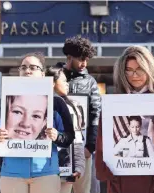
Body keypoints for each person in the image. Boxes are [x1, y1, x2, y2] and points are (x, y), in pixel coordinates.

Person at [95, 45, 154, 193]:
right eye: (128, 70)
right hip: (121, 179)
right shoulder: (113, 105)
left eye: (139, 69)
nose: (134, 75)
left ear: (149, 68)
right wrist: (107, 167)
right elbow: (103, 142)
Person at [0, 52, 75, 193]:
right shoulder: (8, 102)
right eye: (23, 67)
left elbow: (69, 137)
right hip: (11, 175)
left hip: (46, 174)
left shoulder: (56, 103)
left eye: (33, 67)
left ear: (43, 74)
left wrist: (57, 136)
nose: (27, 71)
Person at [56, 35, 102, 193]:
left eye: (87, 59)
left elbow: (96, 114)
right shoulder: (54, 76)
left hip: (82, 148)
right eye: (81, 59)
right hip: (58, 147)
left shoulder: (90, 82)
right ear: (69, 57)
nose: (84, 64)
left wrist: (90, 146)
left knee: (83, 190)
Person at [46, 66, 86, 193]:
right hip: (40, 171)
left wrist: (78, 165)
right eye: (63, 81)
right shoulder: (38, 102)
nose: (67, 84)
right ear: (52, 82)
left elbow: (77, 139)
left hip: (64, 168)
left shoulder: (70, 106)